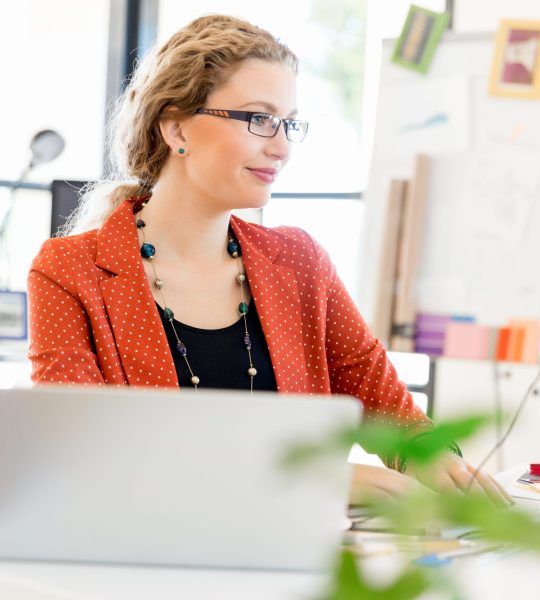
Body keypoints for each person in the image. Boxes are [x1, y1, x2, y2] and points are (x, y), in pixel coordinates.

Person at [27, 14, 511, 506]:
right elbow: (83, 455)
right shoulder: (70, 271)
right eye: (259, 119)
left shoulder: (300, 261)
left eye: (288, 123)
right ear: (176, 128)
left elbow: (384, 403)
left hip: (296, 561)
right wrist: (317, 480)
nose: (280, 147)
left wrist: (432, 457)